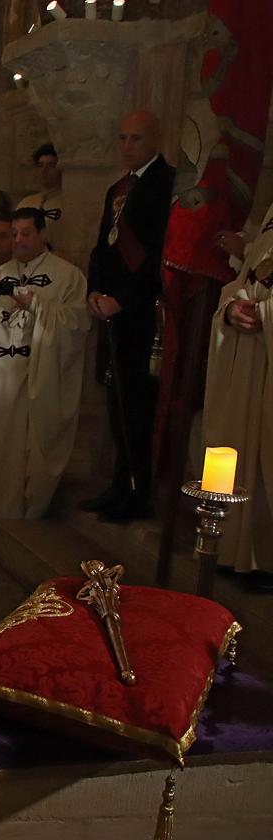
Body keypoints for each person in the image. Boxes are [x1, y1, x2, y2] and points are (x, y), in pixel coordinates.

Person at [0, 208, 89, 535]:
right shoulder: (3, 271)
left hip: (37, 378)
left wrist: (37, 306)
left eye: (25, 233)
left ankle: (23, 522)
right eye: (13, 233)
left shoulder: (67, 275)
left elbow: (77, 323)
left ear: (43, 234)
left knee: (27, 455)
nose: (17, 240)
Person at [80, 110, 175, 522]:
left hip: (142, 311)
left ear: (154, 139)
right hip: (111, 307)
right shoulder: (117, 188)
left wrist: (123, 300)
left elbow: (157, 256)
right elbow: (103, 246)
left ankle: (140, 491)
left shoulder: (168, 184)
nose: (126, 146)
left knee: (138, 404)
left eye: (135, 138)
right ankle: (120, 484)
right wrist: (95, 291)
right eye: (121, 138)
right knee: (116, 401)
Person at [202, 200, 273, 592]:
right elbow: (245, 278)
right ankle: (238, 551)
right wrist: (231, 309)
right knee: (245, 447)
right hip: (251, 352)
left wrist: (268, 313)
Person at [17, 143, 65, 251]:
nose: (44, 171)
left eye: (51, 166)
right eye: (40, 165)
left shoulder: (66, 204)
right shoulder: (25, 203)